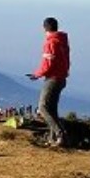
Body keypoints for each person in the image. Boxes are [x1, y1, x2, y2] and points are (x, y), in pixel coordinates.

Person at [28, 17, 71, 147]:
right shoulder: (62, 41)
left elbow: (48, 64)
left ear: (45, 28)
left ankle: (59, 134)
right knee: (52, 110)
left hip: (52, 78)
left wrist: (37, 74)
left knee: (42, 107)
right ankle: (53, 139)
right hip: (61, 78)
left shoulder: (50, 42)